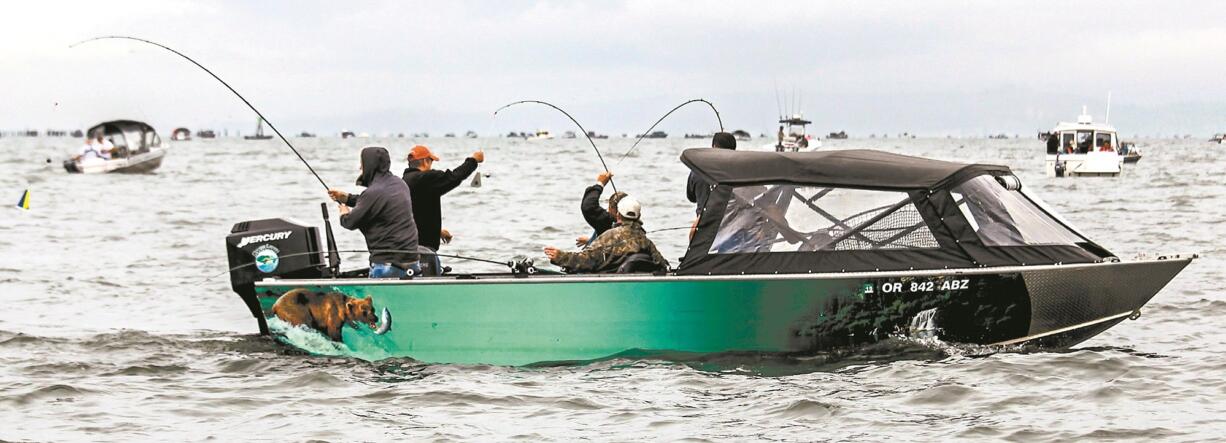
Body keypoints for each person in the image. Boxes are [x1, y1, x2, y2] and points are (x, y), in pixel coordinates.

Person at [328, 146, 421, 278]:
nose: (360, 168)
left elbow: (349, 222)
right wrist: (347, 198)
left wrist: (343, 212)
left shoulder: (372, 193)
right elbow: (375, 202)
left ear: (370, 165)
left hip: (386, 265)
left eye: (362, 164)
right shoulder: (399, 184)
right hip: (412, 262)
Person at [544, 196, 669, 273]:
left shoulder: (609, 236)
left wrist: (560, 256)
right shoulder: (646, 242)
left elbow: (586, 260)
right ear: (639, 216)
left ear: (618, 215)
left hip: (609, 288)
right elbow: (663, 265)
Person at [402, 145, 483, 252]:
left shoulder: (404, 181)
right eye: (431, 161)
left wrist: (436, 232)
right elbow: (455, 177)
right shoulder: (427, 178)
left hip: (406, 246)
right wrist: (474, 160)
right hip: (423, 250)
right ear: (426, 161)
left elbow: (416, 213)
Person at [685, 132, 737, 238]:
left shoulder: (697, 170)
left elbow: (691, 197)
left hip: (703, 229)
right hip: (732, 229)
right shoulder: (737, 172)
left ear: (714, 146)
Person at [574, 171, 626, 246]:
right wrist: (591, 241)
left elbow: (589, 207)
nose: (607, 210)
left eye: (609, 207)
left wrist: (600, 184)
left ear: (613, 209)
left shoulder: (607, 223)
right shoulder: (635, 227)